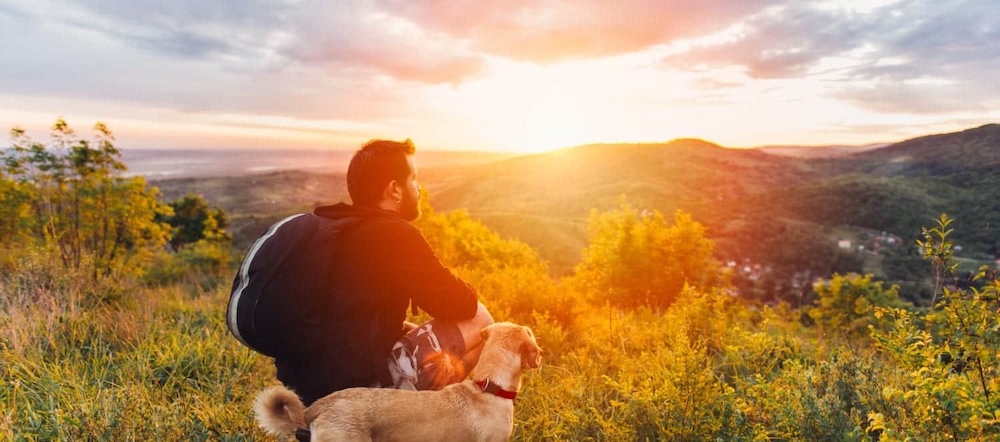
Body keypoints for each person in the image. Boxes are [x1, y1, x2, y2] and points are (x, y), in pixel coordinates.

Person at [259, 139, 494, 422]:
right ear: (394, 189)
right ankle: (428, 417)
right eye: (414, 179)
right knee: (482, 320)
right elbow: (463, 305)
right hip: (358, 396)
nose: (419, 188)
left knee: (410, 330)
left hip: (307, 393)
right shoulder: (394, 234)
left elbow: (351, 316)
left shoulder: (332, 226)